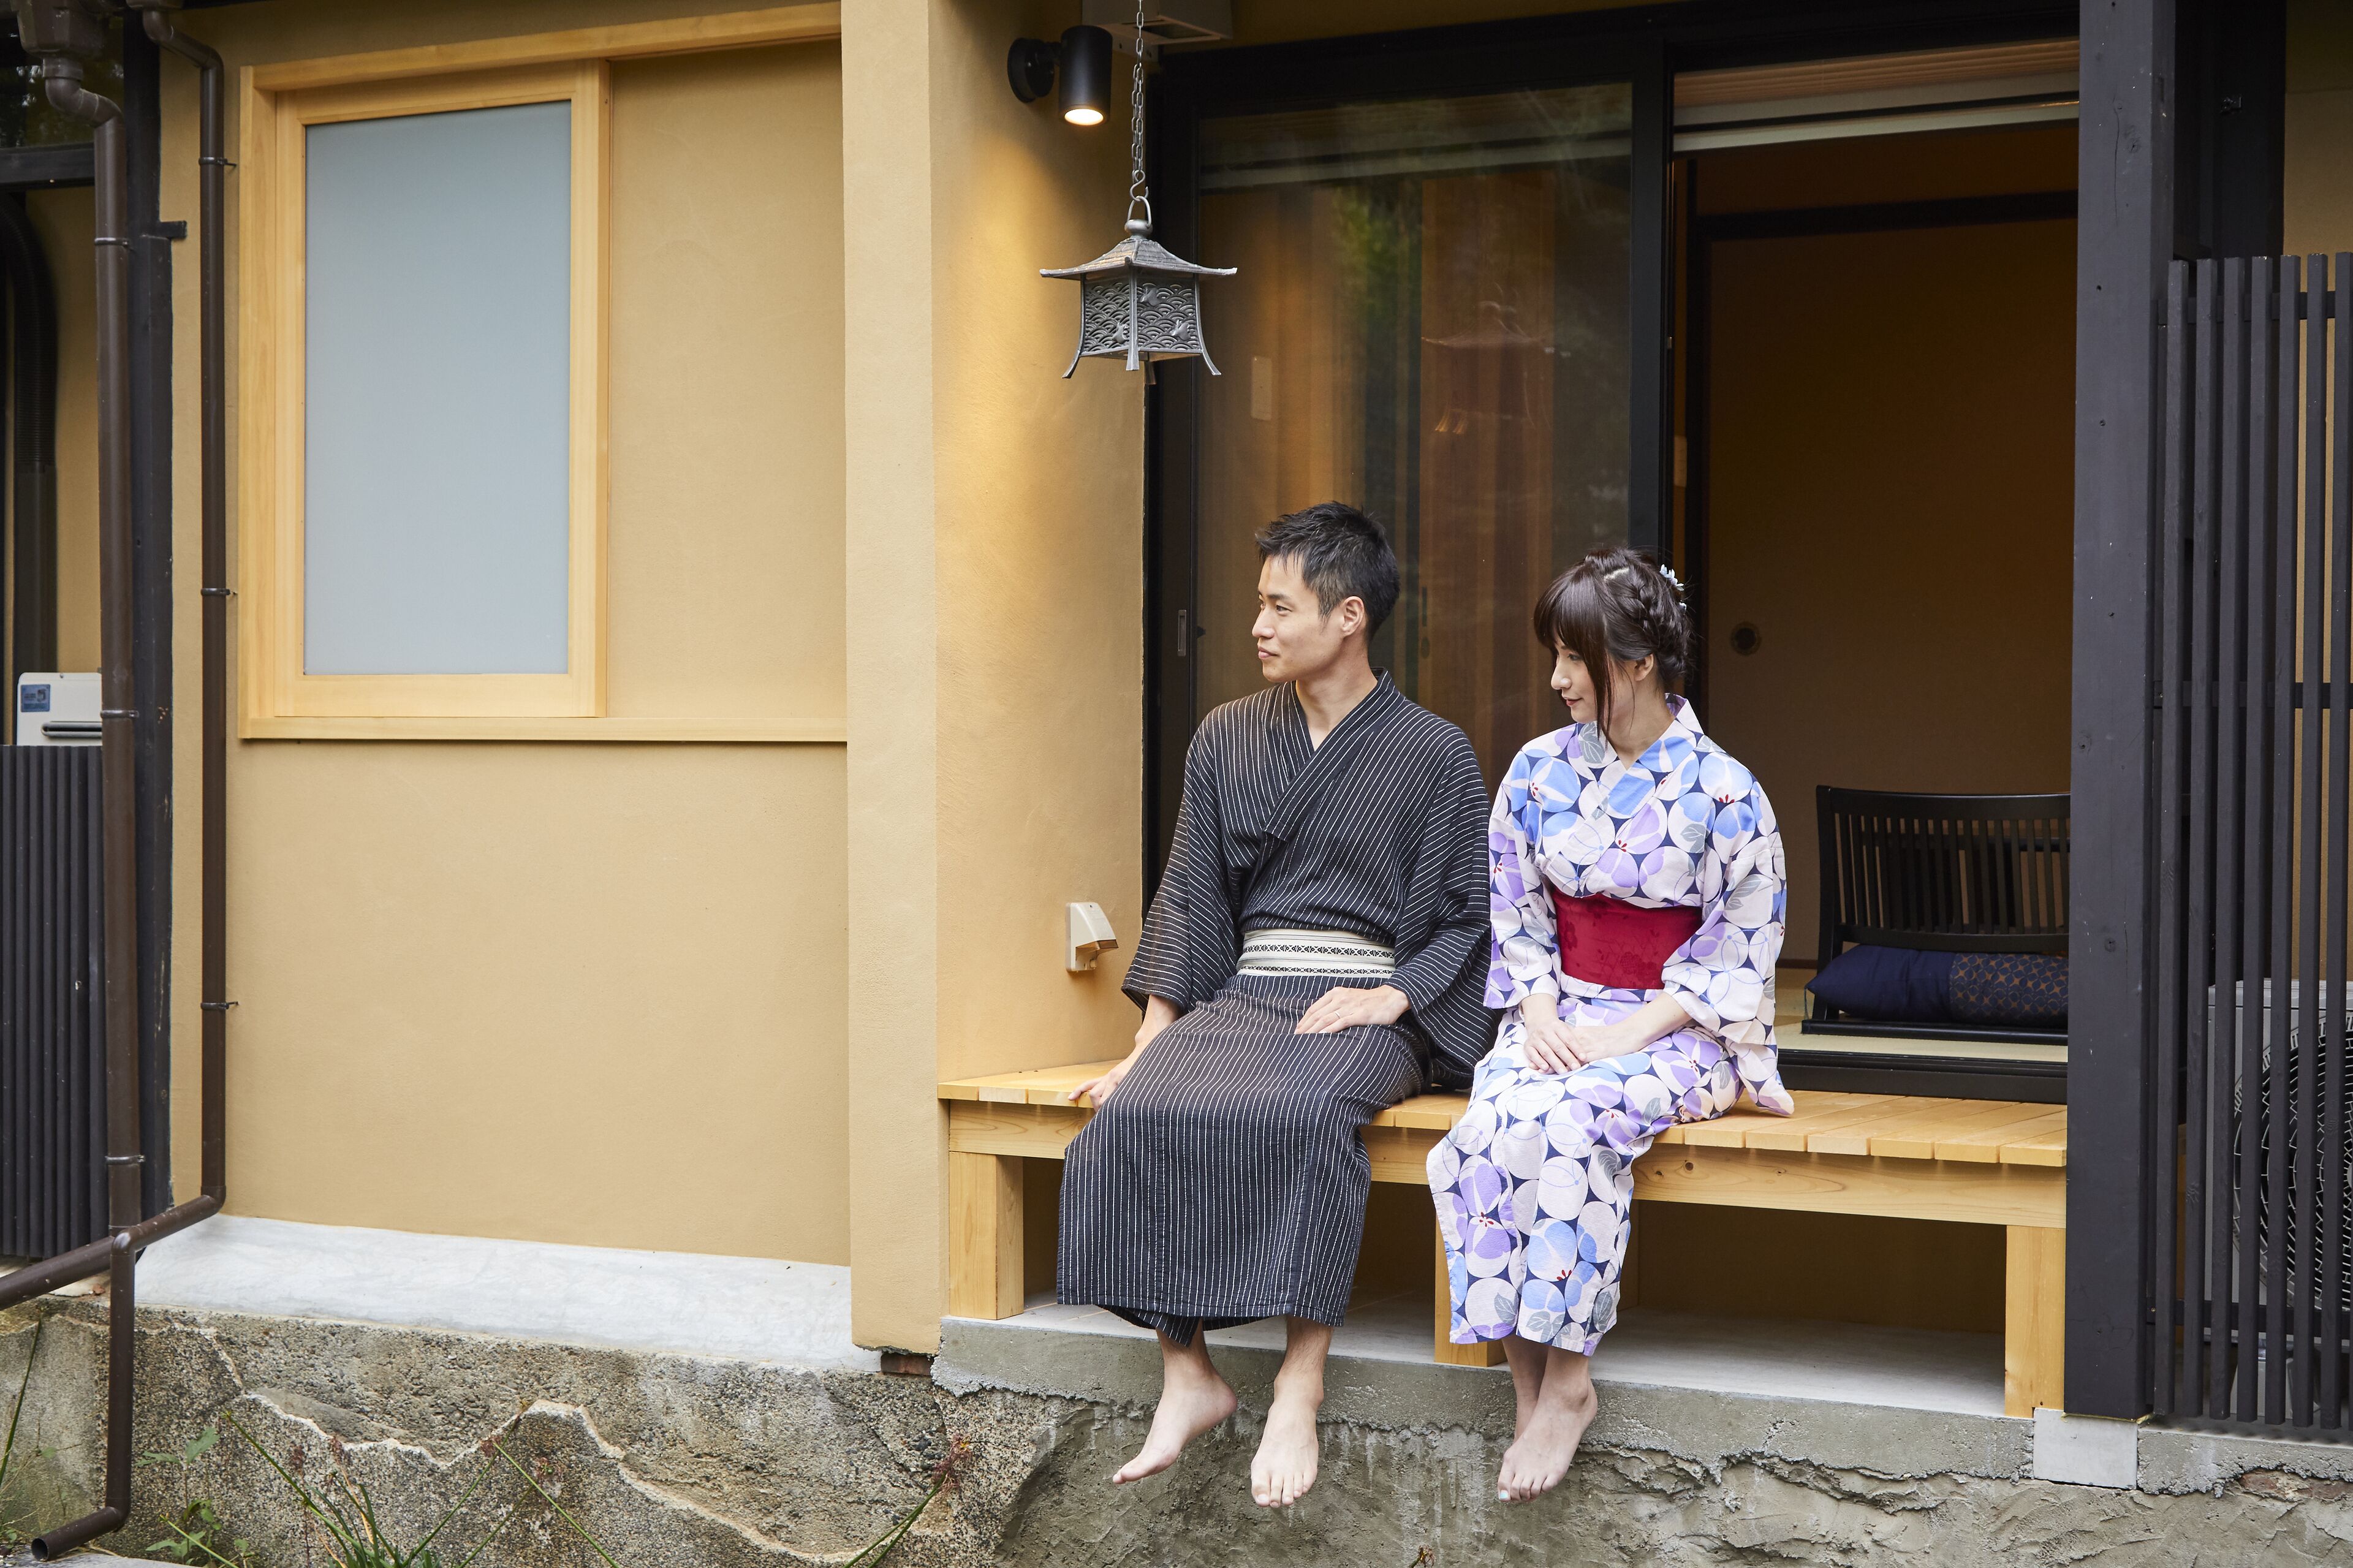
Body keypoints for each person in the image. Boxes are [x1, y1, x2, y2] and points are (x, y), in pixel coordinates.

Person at [1057, 502, 1493, 1508]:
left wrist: (1396, 996)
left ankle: (1301, 1376)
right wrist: (1149, 1042)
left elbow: (1473, 912)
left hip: (1371, 1003)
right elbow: (1192, 896)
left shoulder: (1434, 754)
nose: (1256, 624)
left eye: (1277, 605)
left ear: (1349, 616)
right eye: (1256, 604)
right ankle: (1189, 1373)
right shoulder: (1225, 738)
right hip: (1249, 991)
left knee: (1302, 1114)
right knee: (1136, 1112)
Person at [1428, 545, 1788, 1504]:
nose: (1555, 680)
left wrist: (1633, 1033)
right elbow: (1515, 906)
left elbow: (1741, 951)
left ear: (1636, 663)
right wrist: (1539, 1008)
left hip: (1681, 1028)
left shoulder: (1724, 791)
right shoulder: (1538, 772)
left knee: (1572, 1120)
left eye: (1572, 659)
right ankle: (1527, 1383)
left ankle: (1571, 1381)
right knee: (1482, 1129)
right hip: (1561, 1009)